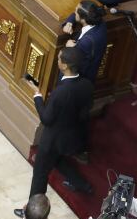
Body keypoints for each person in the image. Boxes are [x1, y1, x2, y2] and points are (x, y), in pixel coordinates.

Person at [28, 46, 93, 197]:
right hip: (71, 136)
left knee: (39, 174)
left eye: (59, 58)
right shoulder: (87, 84)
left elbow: (46, 119)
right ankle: (82, 184)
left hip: (52, 140)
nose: (57, 60)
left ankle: (32, 211)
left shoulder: (61, 92)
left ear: (64, 65)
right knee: (58, 161)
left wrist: (37, 96)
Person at [61, 0, 107, 83]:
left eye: (76, 11)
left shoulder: (86, 42)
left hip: (79, 80)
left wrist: (70, 48)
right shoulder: (99, 22)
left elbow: (77, 65)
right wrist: (69, 23)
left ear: (83, 19)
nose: (74, 12)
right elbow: (75, 15)